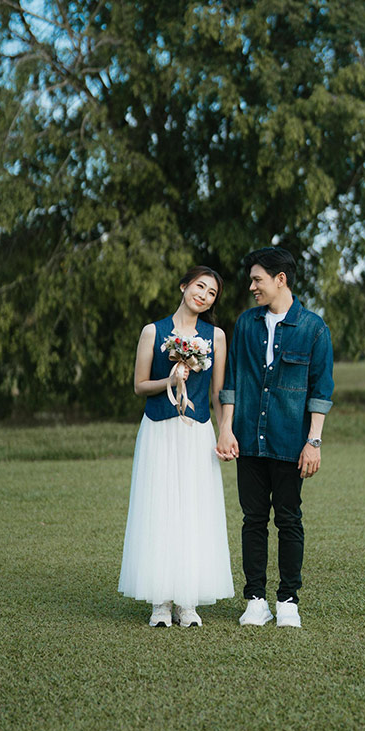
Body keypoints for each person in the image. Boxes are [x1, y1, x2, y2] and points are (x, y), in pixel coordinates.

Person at [215, 247, 333, 629]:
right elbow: (232, 381)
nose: (252, 287)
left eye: (257, 279)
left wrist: (313, 441)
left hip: (289, 441)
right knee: (252, 520)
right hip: (248, 440)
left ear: (280, 279)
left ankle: (287, 601)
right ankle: (255, 600)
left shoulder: (314, 328)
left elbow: (321, 390)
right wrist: (226, 428)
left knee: (289, 519)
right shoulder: (246, 325)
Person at [118, 266, 234, 628]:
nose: (204, 295)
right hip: (158, 430)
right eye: (199, 286)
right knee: (159, 508)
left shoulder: (216, 337)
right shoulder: (153, 331)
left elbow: (218, 392)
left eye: (212, 293)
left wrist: (224, 431)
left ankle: (187, 601)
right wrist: (169, 380)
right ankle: (161, 602)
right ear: (184, 286)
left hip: (196, 432)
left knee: (193, 510)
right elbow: (139, 385)